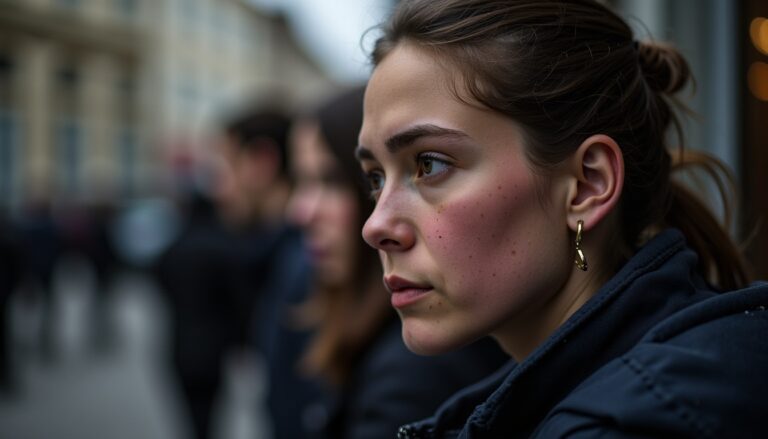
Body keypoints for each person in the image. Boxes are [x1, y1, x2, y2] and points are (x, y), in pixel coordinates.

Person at [355, 1, 768, 437]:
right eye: (376, 178)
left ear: (588, 185)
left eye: (430, 164)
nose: (375, 226)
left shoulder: (633, 422)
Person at [280, 86, 507, 439]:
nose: (301, 212)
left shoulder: (415, 373)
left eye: (332, 181)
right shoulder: (352, 325)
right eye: (300, 181)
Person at [155, 104, 304, 439]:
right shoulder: (270, 253)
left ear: (262, 162)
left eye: (224, 167)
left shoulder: (301, 260)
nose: (218, 188)